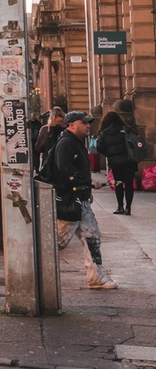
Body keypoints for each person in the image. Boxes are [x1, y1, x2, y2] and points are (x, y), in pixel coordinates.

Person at [54, 110, 117, 289]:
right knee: (57, 241)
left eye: (88, 122)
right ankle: (30, 268)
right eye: (84, 122)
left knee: (92, 237)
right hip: (70, 200)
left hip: (78, 198)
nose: (88, 125)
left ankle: (96, 277)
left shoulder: (74, 142)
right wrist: (89, 182)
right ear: (72, 124)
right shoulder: (66, 143)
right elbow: (65, 169)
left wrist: (86, 189)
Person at [96, 111, 139, 215]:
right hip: (129, 161)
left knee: (118, 183)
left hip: (115, 163)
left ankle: (120, 206)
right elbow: (137, 139)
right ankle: (128, 207)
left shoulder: (104, 133)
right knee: (129, 184)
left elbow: (99, 147)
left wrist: (109, 154)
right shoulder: (126, 129)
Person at [35, 107, 67, 178]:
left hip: (48, 162)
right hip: (65, 163)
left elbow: (38, 148)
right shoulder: (67, 129)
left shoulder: (45, 129)